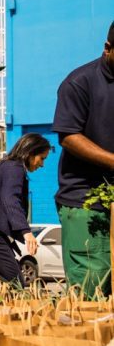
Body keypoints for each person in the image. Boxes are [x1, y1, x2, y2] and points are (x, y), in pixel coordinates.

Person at [53, 20, 114, 299]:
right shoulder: (80, 82)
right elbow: (68, 136)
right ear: (107, 49)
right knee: (93, 284)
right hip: (86, 200)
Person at [0, 133, 50, 287]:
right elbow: (10, 199)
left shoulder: (8, 166)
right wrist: (26, 231)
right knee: (15, 282)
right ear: (30, 153)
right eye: (41, 158)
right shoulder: (14, 167)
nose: (42, 164)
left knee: (9, 281)